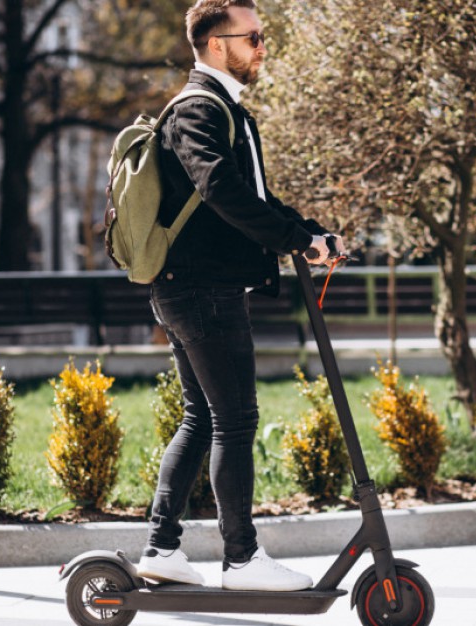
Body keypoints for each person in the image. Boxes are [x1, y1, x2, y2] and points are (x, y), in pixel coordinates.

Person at [137, 0, 345, 592]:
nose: (262, 46)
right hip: (201, 290)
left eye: (262, 35)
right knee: (234, 420)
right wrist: (295, 242)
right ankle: (241, 560)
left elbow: (254, 194)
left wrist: (308, 234)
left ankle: (163, 548)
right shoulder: (197, 109)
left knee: (202, 416)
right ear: (214, 43)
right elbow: (221, 189)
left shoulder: (225, 110)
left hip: (193, 288)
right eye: (253, 37)